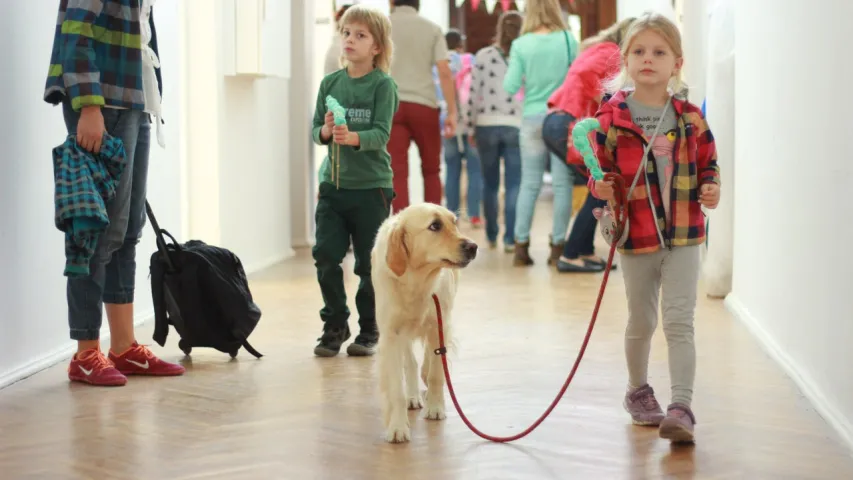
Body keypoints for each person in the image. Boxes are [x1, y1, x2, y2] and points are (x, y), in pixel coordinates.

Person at [588, 12, 721, 443]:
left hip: (684, 234)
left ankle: (682, 406)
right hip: (637, 235)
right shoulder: (610, 117)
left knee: (680, 321)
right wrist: (600, 188)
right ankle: (637, 390)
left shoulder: (690, 117)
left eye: (659, 52)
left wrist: (711, 187)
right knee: (642, 320)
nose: (649, 59)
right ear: (626, 59)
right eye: (640, 51)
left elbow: (708, 163)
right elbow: (597, 172)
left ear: (676, 63)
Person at [43, 0, 185, 386]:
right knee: (94, 230)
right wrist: (89, 105)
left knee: (127, 230)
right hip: (103, 102)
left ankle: (123, 347)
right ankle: (86, 353)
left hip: (135, 100)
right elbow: (76, 31)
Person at [311, 5, 399, 358]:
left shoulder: (383, 85)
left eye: (360, 35)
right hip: (332, 188)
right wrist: (326, 130)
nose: (349, 40)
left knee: (368, 264)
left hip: (371, 189)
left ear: (376, 46)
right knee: (325, 256)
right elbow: (315, 131)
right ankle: (335, 323)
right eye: (346, 33)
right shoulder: (330, 83)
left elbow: (381, 133)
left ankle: (369, 327)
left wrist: (353, 137)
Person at [542, 17, 635, 273]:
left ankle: (584, 250)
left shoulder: (600, 48)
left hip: (559, 121)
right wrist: (607, 103)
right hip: (568, 122)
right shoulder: (611, 51)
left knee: (599, 186)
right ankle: (570, 255)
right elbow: (585, 75)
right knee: (601, 187)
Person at [502, 0, 578, 267]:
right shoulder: (568, 40)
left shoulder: (521, 44)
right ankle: (558, 247)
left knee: (529, 183)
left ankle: (521, 247)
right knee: (562, 184)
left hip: (532, 118)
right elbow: (577, 79)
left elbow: (510, 86)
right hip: (560, 118)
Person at [388, 0, 457, 212]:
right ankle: (434, 224)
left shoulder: (382, 26)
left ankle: (401, 226)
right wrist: (452, 111)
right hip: (424, 105)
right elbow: (444, 71)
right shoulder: (432, 29)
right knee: (431, 170)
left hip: (391, 106)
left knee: (396, 172)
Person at [467, 10, 524, 252]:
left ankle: (491, 235)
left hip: (486, 124)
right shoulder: (524, 55)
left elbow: (473, 94)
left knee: (489, 183)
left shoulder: (483, 55)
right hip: (516, 124)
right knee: (514, 185)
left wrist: (470, 125)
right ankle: (510, 239)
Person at [438, 29, 483, 227]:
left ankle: (452, 216)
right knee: (475, 170)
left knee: (452, 170)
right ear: (460, 45)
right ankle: (474, 215)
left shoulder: (438, 63)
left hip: (447, 122)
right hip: (469, 122)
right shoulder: (469, 60)